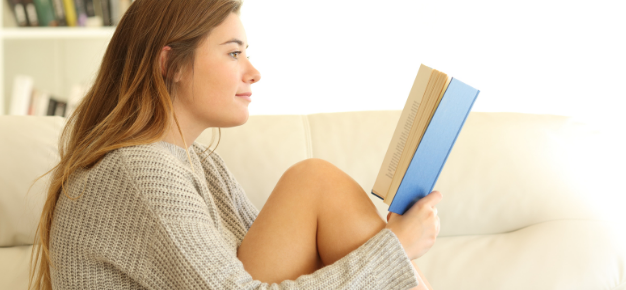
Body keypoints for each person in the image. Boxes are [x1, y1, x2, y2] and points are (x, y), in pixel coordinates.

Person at [29, 0, 442, 289]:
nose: (254, 72)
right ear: (169, 64)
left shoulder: (201, 166)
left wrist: (382, 251)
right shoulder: (135, 170)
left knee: (320, 187)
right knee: (314, 181)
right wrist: (394, 249)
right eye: (233, 54)